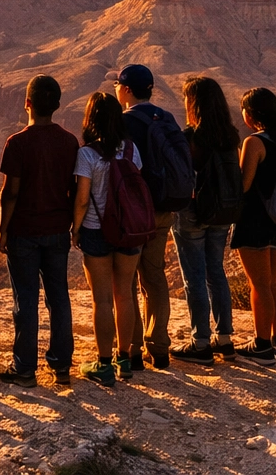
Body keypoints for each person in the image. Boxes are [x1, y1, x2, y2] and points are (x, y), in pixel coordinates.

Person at [0, 74, 79, 388]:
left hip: (24, 232)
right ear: (57, 105)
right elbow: (73, 188)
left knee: (25, 300)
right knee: (59, 297)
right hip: (57, 229)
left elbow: (10, 192)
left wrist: (3, 230)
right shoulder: (69, 141)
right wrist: (74, 226)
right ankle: (61, 366)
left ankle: (25, 369)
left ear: (27, 103)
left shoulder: (17, 143)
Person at [71, 91, 144, 386]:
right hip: (129, 230)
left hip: (95, 230)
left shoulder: (87, 154)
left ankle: (103, 363)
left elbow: (82, 199)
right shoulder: (131, 150)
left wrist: (75, 229)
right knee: (125, 293)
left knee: (102, 300)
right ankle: (124, 359)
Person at [116, 63, 186, 370]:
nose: (116, 91)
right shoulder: (166, 118)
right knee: (154, 276)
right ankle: (159, 347)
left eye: (117, 86)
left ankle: (132, 349)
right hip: (163, 210)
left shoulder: (124, 122)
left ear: (127, 89)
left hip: (134, 212)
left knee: (128, 278)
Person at [169, 76, 240, 365]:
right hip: (223, 212)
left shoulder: (191, 138)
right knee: (216, 272)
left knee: (194, 277)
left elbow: (183, 177)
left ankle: (200, 344)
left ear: (193, 103)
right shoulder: (230, 135)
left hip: (194, 214)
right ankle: (224, 339)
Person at [229, 87, 276, 365]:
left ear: (251, 114)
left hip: (255, 221)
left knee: (258, 284)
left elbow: (244, 186)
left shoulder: (254, 143)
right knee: (275, 281)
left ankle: (261, 346)